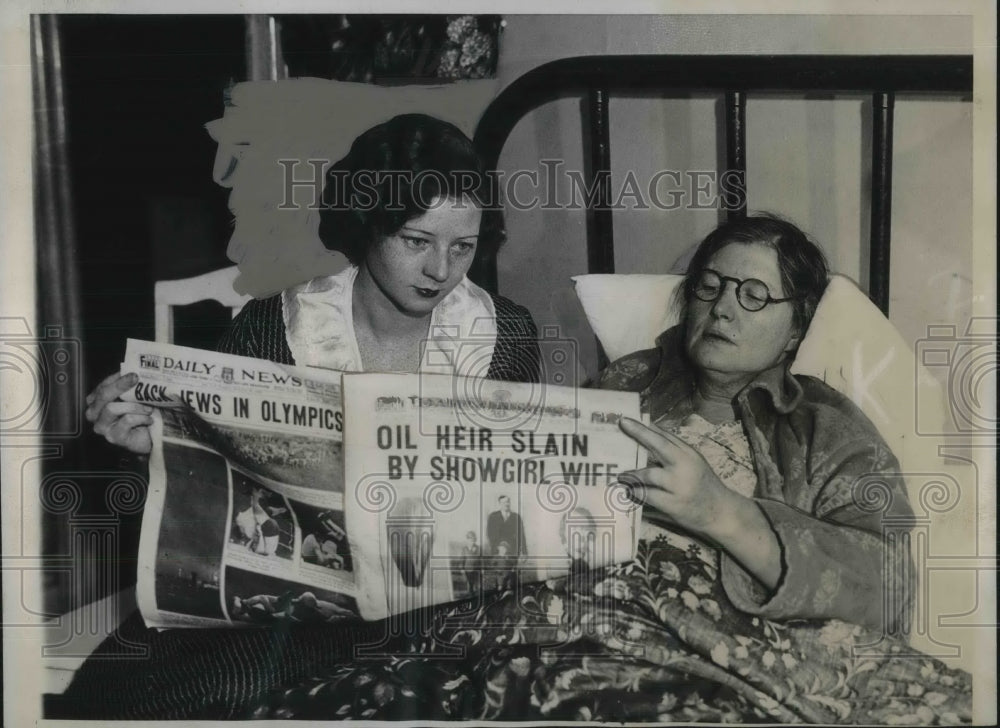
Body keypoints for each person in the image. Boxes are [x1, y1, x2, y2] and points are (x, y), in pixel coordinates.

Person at [85, 113, 541, 454]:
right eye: (416, 241)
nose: (440, 271)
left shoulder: (507, 335)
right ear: (367, 224)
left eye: (462, 247)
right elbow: (220, 468)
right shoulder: (271, 329)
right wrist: (153, 445)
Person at [600, 214, 914, 634]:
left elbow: (888, 586)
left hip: (728, 644)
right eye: (709, 287)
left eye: (755, 296)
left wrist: (722, 513)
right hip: (596, 613)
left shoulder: (825, 430)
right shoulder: (623, 383)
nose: (722, 310)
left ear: (795, 330)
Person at [460, 530, 480, 594]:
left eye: (472, 540)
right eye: (469, 539)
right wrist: (461, 568)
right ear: (467, 540)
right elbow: (462, 559)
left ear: (474, 540)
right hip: (467, 569)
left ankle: (475, 593)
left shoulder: (477, 548)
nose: (471, 541)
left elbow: (480, 559)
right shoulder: (464, 549)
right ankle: (470, 593)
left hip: (476, 569)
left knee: (476, 584)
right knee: (469, 584)